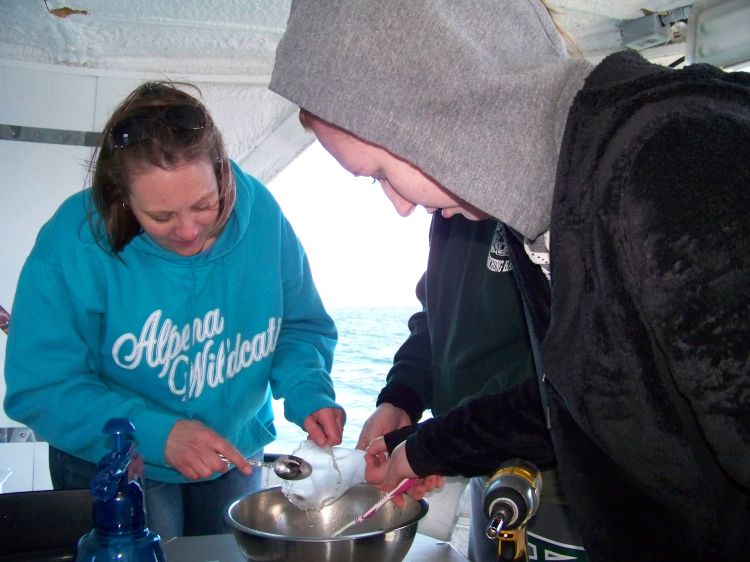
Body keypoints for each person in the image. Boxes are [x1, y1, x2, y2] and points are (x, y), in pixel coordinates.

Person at [268, 1, 750, 560]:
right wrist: (425, 443)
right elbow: (582, 392)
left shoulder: (676, 160)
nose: (400, 207)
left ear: (437, 112)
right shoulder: (544, 212)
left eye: (382, 173)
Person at [3, 81, 344, 539]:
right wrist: (154, 433)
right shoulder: (73, 240)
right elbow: (40, 386)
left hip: (233, 453)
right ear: (121, 197)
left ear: (222, 172)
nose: (188, 231)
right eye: (160, 217)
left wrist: (308, 389)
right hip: (118, 460)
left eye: (205, 205)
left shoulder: (261, 213)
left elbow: (299, 325)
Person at [355, 214, 586, 560]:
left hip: (570, 482)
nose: (400, 206)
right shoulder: (447, 211)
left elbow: (568, 378)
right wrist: (403, 397)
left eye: (384, 173)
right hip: (477, 461)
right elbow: (436, 314)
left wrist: (436, 446)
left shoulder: (549, 203)